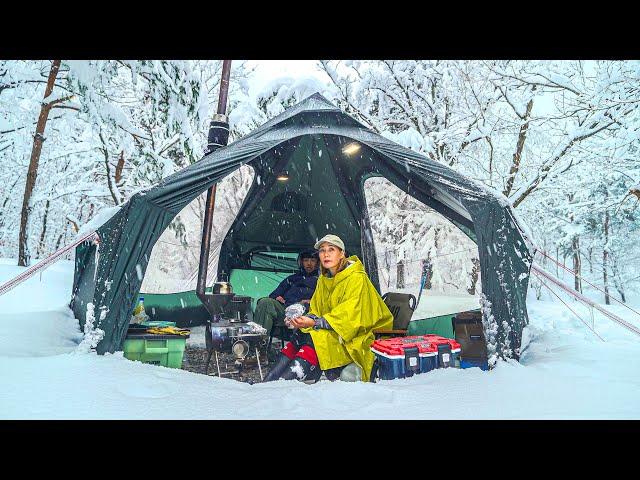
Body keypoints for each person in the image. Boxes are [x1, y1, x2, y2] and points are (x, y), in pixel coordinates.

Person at [263, 234, 393, 383]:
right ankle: (269, 383)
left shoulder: (356, 278)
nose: (326, 254)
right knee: (300, 334)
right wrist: (302, 320)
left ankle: (285, 383)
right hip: (339, 330)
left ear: (342, 253)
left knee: (315, 338)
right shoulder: (325, 280)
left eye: (331, 249)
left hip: (360, 336)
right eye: (322, 250)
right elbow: (317, 310)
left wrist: (314, 323)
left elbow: (349, 317)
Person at [253, 249, 319, 337]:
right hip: (286, 312)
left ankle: (300, 343)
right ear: (301, 262)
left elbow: (324, 301)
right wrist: (279, 299)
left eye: (313, 260)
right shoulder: (292, 279)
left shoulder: (321, 281)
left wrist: (308, 302)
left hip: (307, 315)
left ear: (318, 263)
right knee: (265, 302)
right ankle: (259, 343)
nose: (309, 263)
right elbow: (273, 295)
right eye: (306, 260)